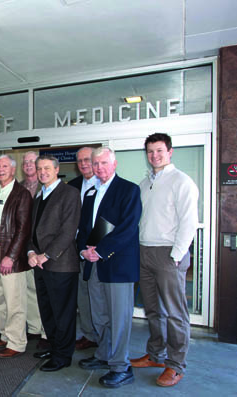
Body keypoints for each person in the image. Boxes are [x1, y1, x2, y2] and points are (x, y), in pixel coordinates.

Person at [130, 133, 199, 387]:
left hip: (169, 253)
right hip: (145, 252)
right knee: (153, 310)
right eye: (150, 151)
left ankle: (176, 365)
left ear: (170, 152)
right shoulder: (145, 183)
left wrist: (177, 256)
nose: (154, 156)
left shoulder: (182, 181)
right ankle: (156, 355)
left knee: (174, 313)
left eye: (159, 151)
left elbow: (189, 222)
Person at [76, 147, 141, 388]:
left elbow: (128, 228)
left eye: (104, 163)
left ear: (114, 164)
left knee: (119, 318)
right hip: (93, 265)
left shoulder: (129, 190)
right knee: (99, 315)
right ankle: (104, 356)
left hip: (117, 265)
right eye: (95, 164)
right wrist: (83, 250)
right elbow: (84, 228)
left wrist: (101, 251)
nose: (99, 168)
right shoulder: (91, 192)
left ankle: (121, 367)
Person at [28, 155, 81, 371]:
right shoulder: (38, 198)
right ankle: (54, 346)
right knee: (47, 311)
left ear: (57, 169)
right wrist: (31, 252)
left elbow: (68, 230)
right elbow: (31, 231)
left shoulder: (69, 194)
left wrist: (46, 255)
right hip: (40, 265)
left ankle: (63, 356)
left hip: (60, 265)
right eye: (39, 169)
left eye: (47, 168)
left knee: (63, 313)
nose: (42, 172)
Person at [0, 155, 33, 359]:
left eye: (5, 166)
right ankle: (5, 335)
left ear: (14, 170)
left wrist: (11, 256)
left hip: (9, 254)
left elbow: (23, 229)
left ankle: (17, 342)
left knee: (14, 300)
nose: (0, 169)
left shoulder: (21, 194)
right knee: (0, 299)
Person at [68, 147, 99, 351]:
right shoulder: (72, 186)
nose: (84, 164)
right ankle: (88, 334)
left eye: (87, 159)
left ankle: (102, 336)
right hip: (76, 249)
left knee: (98, 297)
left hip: (98, 251)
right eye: (80, 161)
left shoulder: (105, 184)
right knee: (82, 295)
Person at [19, 151, 47, 347]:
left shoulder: (46, 186)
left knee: (44, 291)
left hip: (42, 248)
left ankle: (47, 332)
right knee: (29, 288)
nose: (28, 165)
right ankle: (34, 328)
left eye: (32, 162)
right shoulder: (18, 187)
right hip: (23, 246)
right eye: (25, 162)